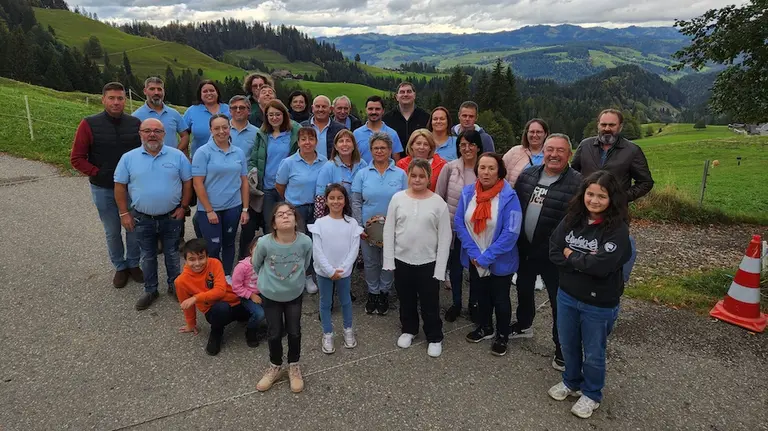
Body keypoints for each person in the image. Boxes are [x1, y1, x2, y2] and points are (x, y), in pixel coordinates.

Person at [547, 171, 631, 419]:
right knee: (568, 344)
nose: (594, 200)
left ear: (612, 199)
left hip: (599, 303)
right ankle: (571, 382)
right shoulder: (572, 219)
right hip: (567, 295)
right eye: (590, 194)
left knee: (594, 353)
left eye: (601, 196)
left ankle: (592, 394)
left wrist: (571, 255)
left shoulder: (618, 230)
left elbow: (602, 266)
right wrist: (583, 261)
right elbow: (554, 250)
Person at [513, 134, 582, 371]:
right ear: (543, 152)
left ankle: (562, 348)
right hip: (526, 248)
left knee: (559, 302)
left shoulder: (579, 184)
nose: (554, 154)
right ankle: (523, 325)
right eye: (549, 149)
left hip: (555, 255)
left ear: (569, 154)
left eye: (560, 150)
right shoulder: (527, 176)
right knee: (523, 289)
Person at [113, 118, 192, 310]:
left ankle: (174, 286)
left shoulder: (177, 156)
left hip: (171, 216)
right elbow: (120, 186)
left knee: (172, 253)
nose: (152, 134)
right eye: (147, 130)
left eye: (157, 131)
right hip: (142, 217)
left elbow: (187, 182)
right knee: (147, 256)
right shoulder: (128, 158)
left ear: (164, 134)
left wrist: (183, 206)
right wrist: (124, 213)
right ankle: (151, 290)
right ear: (140, 133)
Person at [70, 81, 143, 288]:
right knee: (112, 230)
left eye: (120, 98)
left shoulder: (135, 124)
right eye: (111, 98)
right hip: (103, 188)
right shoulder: (89, 124)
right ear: (103, 100)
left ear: (125, 100)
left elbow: (142, 153)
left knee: (133, 228)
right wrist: (98, 173)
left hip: (131, 188)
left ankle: (133, 263)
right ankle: (120, 266)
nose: (116, 102)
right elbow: (77, 158)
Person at [571, 108, 654, 282]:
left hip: (615, 213)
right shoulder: (585, 145)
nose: (607, 128)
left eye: (612, 125)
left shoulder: (632, 150)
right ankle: (578, 281)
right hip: (585, 209)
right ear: (598, 125)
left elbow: (645, 182)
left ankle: (612, 284)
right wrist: (580, 195)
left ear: (620, 126)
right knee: (581, 245)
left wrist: (622, 197)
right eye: (603, 124)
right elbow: (573, 172)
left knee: (612, 251)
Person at [455, 153, 522, 357]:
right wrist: (474, 253)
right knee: (481, 294)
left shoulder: (509, 196)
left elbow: (511, 232)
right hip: (475, 257)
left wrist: (487, 257)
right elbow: (459, 223)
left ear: (500, 171)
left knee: (500, 299)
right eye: (482, 167)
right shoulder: (468, 193)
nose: (486, 172)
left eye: (491, 168)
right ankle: (485, 327)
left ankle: (502, 335)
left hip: (499, 259)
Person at [384, 159, 452, 358]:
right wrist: (389, 260)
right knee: (406, 299)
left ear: (429, 178)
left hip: (428, 262)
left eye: (422, 176)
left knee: (430, 302)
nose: (417, 179)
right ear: (408, 176)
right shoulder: (397, 199)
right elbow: (389, 230)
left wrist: (440, 268)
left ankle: (434, 336)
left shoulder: (438, 203)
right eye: (413, 175)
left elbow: (445, 237)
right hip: (402, 260)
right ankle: (409, 329)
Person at [253, 203, 313, 394]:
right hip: (270, 295)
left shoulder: (305, 242)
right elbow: (256, 264)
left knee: (294, 331)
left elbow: (305, 263)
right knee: (274, 332)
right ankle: (275, 366)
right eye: (280, 215)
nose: (285, 216)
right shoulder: (264, 243)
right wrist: (269, 283)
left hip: (294, 294)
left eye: (289, 213)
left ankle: (294, 365)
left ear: (296, 220)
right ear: (274, 224)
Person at [351, 132, 408, 316]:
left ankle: (384, 292)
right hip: (368, 230)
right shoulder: (362, 174)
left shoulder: (400, 174)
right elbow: (356, 202)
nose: (379, 151)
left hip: (393, 229)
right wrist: (359, 226)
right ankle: (373, 292)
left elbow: (406, 201)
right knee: (370, 262)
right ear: (371, 150)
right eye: (376, 148)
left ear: (390, 150)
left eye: (383, 148)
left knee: (388, 261)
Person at [191, 114, 249, 278]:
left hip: (233, 207)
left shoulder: (238, 152)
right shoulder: (203, 152)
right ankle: (213, 276)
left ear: (230, 128)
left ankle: (227, 274)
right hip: (210, 209)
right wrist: (209, 210)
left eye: (224, 127)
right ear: (211, 130)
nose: (221, 131)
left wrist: (245, 209)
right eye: (217, 128)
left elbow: (244, 181)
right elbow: (197, 183)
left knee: (229, 243)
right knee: (213, 246)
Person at [308, 184, 362, 354]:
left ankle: (348, 329)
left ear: (345, 201)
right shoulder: (320, 223)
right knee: (325, 303)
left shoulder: (352, 223)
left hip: (344, 272)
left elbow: (354, 249)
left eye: (339, 198)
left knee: (346, 301)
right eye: (332, 198)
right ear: (325, 201)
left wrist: (343, 269)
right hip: (324, 273)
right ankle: (327, 333)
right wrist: (329, 270)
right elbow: (317, 250)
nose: (336, 201)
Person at [435, 129, 482, 322]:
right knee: (455, 268)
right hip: (454, 228)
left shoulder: (485, 168)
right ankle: (456, 303)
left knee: (475, 268)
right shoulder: (450, 168)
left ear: (478, 147)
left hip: (477, 230)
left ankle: (474, 304)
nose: (467, 148)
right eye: (463, 145)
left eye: (471, 144)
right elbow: (439, 197)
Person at [175, 239, 250, 356]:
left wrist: (195, 298)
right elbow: (186, 305)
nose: (197, 263)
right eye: (192, 259)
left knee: (257, 309)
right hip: (214, 311)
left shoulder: (215, 263)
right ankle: (216, 332)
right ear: (185, 260)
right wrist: (191, 324)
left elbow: (220, 291)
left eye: (201, 258)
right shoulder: (181, 281)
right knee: (221, 308)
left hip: (235, 301)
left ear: (207, 256)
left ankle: (247, 322)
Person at [275, 127, 328, 294]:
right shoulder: (288, 163)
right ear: (298, 142)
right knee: (299, 243)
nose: (307, 142)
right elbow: (280, 186)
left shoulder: (324, 162)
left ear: (316, 142)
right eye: (303, 139)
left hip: (318, 208)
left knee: (315, 242)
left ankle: (314, 273)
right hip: (297, 208)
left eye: (311, 139)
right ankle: (303, 276)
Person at [249, 100, 302, 235]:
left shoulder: (293, 134)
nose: (274, 118)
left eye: (278, 114)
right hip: (267, 187)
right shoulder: (262, 134)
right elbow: (254, 159)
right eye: (271, 115)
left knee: (290, 222)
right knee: (270, 223)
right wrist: (253, 174)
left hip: (287, 187)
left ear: (284, 115)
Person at [132, 77, 189, 153]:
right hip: (147, 159)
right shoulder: (136, 116)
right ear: (145, 91)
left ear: (163, 91)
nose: (156, 92)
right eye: (152, 89)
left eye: (159, 89)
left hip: (171, 159)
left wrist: (176, 152)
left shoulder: (174, 113)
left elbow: (185, 136)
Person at [231, 236, 267, 348]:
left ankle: (274, 327)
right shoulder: (242, 267)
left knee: (276, 306)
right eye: (257, 248)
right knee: (260, 314)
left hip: (264, 292)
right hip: (246, 295)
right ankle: (250, 331)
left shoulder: (268, 264)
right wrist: (251, 295)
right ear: (251, 250)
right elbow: (236, 287)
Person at [182, 80, 230, 157]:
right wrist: (186, 156)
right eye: (205, 91)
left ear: (217, 92)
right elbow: (183, 134)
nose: (209, 93)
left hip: (226, 157)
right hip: (199, 158)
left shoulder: (229, 110)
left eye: (212, 90)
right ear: (200, 94)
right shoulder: (192, 111)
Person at [315, 129, 367, 199]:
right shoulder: (328, 167)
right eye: (341, 141)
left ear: (354, 146)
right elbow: (320, 195)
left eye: (348, 141)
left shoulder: (362, 164)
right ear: (336, 147)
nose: (344, 144)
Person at [383, 82, 431, 157]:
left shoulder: (426, 117)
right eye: (402, 92)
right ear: (396, 97)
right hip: (394, 162)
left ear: (414, 95)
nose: (405, 94)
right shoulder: (386, 119)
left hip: (420, 161)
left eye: (409, 91)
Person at [353, 96, 403, 163]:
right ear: (366, 110)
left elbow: (397, 162)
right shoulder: (356, 134)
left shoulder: (392, 134)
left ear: (383, 111)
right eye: (370, 109)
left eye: (377, 109)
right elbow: (353, 159)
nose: (374, 112)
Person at [503, 118, 550, 186]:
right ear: (526, 133)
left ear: (545, 134)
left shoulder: (551, 155)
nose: (534, 135)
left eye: (538, 132)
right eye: (532, 132)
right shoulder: (514, 152)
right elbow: (499, 172)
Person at [300, 95, 347, 159]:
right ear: (312, 109)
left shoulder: (340, 129)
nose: (320, 109)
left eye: (324, 107)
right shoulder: (302, 127)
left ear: (330, 109)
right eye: (317, 106)